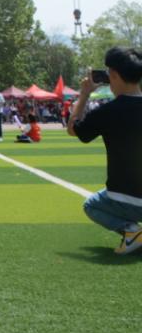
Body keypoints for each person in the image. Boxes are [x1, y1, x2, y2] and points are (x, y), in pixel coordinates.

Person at [67, 47, 142, 255]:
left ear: (114, 75)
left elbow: (73, 129)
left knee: (91, 205)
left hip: (126, 198)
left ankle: (131, 231)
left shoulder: (108, 111)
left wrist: (84, 94)